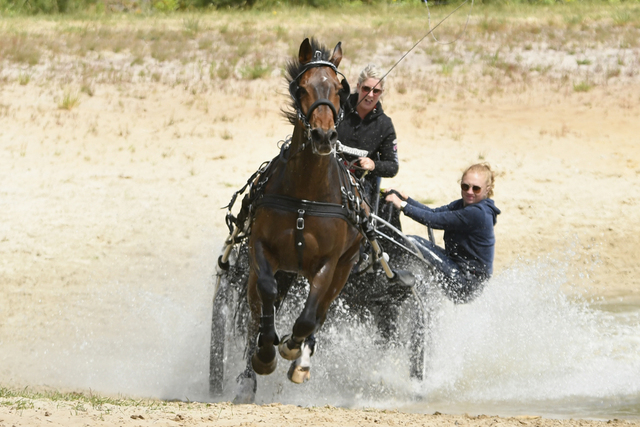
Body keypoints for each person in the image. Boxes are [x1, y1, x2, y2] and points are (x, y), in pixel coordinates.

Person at [385, 163, 501, 304]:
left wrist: (402, 205)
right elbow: (433, 213)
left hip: (465, 283)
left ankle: (389, 281)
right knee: (412, 245)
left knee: (411, 242)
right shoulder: (463, 204)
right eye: (465, 187)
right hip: (455, 267)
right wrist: (406, 199)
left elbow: (433, 221)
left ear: (487, 189)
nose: (469, 192)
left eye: (476, 188)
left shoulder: (477, 213)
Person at [336, 64, 399, 210]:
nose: (370, 95)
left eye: (376, 91)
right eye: (366, 89)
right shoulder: (338, 108)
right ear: (358, 87)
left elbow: (392, 166)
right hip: (331, 176)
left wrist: (373, 165)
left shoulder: (384, 125)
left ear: (382, 92)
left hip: (362, 187)